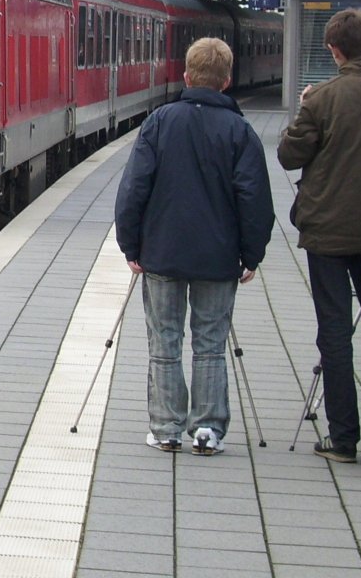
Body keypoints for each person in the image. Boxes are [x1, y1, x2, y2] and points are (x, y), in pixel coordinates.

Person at [115, 37, 274, 456]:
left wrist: (130, 244)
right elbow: (254, 198)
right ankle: (207, 430)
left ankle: (166, 427)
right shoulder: (240, 131)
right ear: (226, 81)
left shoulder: (159, 122)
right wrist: (252, 253)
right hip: (219, 258)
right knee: (210, 344)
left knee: (164, 341)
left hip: (162, 254)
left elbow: (134, 188)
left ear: (186, 76)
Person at [277, 7, 361, 464]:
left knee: (335, 332)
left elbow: (289, 156)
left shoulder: (323, 99)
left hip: (328, 234)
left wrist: (303, 108)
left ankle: (343, 438)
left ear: (335, 50)